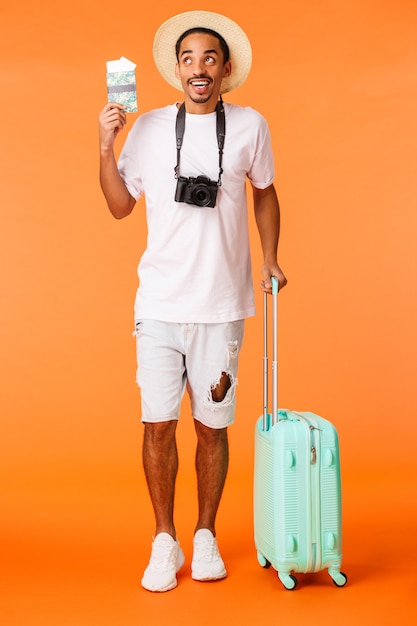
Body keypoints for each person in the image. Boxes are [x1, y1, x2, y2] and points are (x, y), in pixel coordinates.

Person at [98, 10, 287, 593]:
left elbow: (267, 193)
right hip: (158, 304)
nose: (199, 68)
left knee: (212, 428)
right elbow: (119, 206)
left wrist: (271, 258)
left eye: (210, 58)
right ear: (176, 70)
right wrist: (105, 145)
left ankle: (204, 536)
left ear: (226, 68)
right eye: (188, 59)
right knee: (157, 425)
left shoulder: (251, 125)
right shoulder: (149, 128)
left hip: (223, 306)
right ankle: (164, 538)